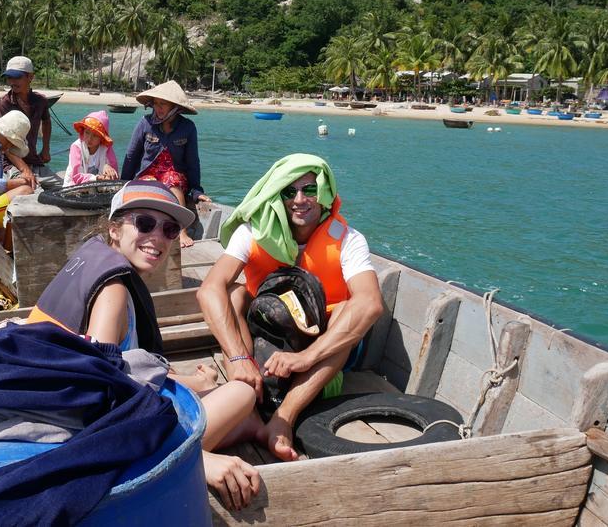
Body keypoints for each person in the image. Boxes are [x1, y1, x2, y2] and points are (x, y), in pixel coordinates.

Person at [25, 180, 261, 510]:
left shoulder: (95, 262)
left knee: (236, 406)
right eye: (145, 223)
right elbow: (98, 395)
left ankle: (249, 427)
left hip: (52, 400)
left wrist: (196, 382)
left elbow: (120, 367)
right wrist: (193, 459)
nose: (158, 238)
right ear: (115, 229)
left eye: (168, 229)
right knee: (242, 393)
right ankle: (209, 442)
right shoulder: (113, 292)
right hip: (75, 431)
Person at [196, 153, 384, 462]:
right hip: (262, 333)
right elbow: (209, 290)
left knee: (347, 312)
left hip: (321, 348)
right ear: (277, 196)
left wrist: (305, 357)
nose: (299, 199)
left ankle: (283, 416)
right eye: (289, 191)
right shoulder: (253, 232)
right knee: (232, 293)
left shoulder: (349, 240)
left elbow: (370, 303)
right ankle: (244, 391)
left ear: (323, 195)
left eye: (309, 190)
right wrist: (239, 357)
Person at [121, 80, 209, 248]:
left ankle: (181, 231)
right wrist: (123, 183)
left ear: (175, 107)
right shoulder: (145, 123)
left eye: (163, 104)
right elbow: (131, 156)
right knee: (148, 185)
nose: (158, 108)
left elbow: (193, 161)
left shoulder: (188, 127)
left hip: (174, 173)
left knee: (172, 182)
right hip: (149, 174)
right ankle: (144, 230)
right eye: (156, 104)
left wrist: (197, 191)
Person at [0, 55, 62, 190]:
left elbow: (46, 121)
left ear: (30, 77)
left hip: (34, 160)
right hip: (10, 164)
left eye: (17, 77)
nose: (12, 82)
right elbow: (1, 142)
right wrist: (25, 170)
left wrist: (46, 149)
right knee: (30, 190)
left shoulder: (40, 101)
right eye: (9, 77)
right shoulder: (3, 103)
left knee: (64, 188)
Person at [64, 110, 119, 185]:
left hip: (96, 189)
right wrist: (96, 178)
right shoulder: (77, 147)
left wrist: (108, 167)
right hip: (74, 188)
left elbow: (115, 176)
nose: (89, 139)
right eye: (87, 132)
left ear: (102, 137)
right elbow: (76, 176)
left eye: (95, 135)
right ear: (83, 131)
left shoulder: (106, 148)